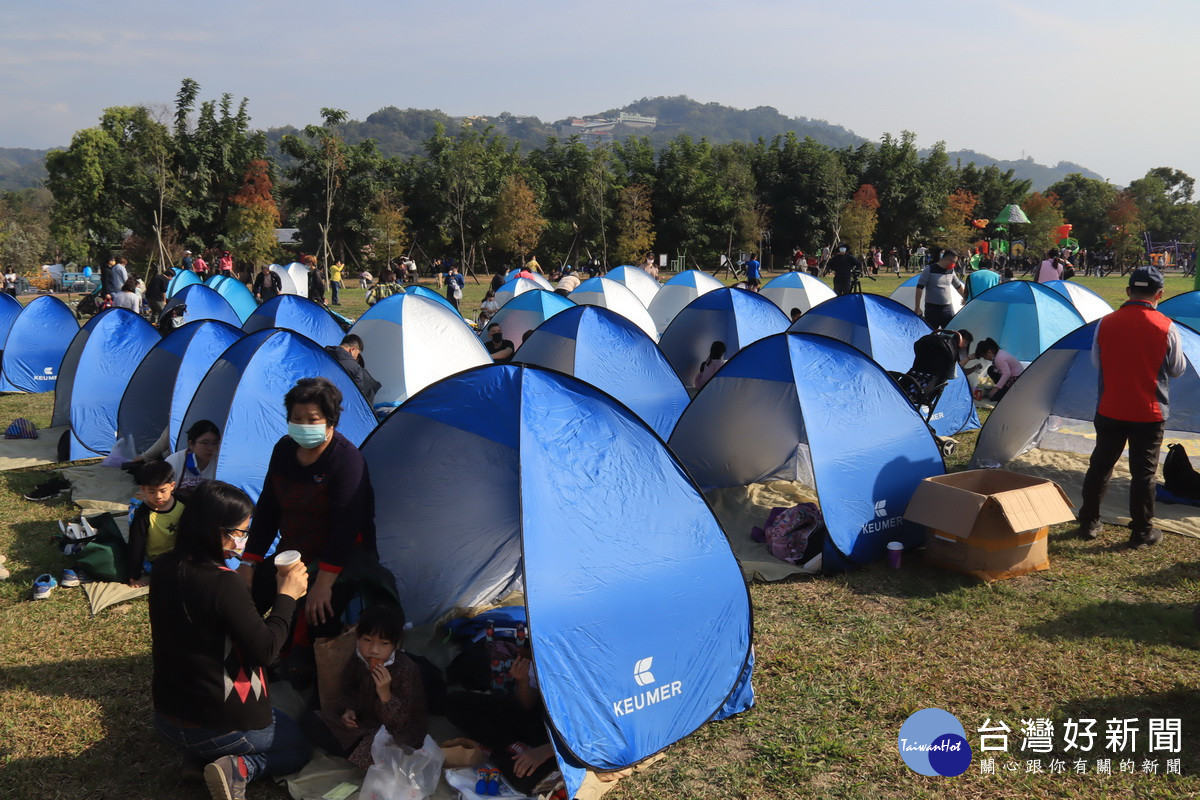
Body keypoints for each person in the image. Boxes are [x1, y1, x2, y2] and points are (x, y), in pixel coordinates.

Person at [150, 480, 310, 800]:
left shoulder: (163, 568)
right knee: (299, 747)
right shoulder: (225, 583)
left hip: (166, 720)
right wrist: (287, 596)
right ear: (216, 531)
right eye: (240, 531)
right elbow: (265, 650)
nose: (242, 540)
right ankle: (238, 768)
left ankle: (196, 758)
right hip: (215, 726)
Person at [240, 378, 378, 642]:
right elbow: (268, 509)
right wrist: (248, 563)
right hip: (296, 552)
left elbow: (345, 528)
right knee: (247, 597)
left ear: (331, 421)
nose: (303, 426)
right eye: (296, 418)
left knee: (319, 614)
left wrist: (324, 583)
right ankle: (252, 659)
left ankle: (307, 666)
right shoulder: (283, 449)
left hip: (343, 559)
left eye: (312, 419)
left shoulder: (348, 461)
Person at [1076, 266, 1187, 548]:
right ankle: (1141, 532)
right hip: (1148, 412)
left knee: (1100, 466)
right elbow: (1177, 370)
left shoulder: (1106, 322)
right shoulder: (1165, 326)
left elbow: (1096, 363)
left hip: (1110, 407)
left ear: (1128, 291)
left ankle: (1088, 522)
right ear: (1159, 294)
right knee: (1144, 474)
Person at [302, 604, 428, 767]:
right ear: (358, 638)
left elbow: (402, 722)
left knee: (384, 750)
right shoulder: (358, 659)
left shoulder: (406, 669)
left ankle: (359, 756)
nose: (374, 650)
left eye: (384, 643)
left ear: (396, 645)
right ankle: (356, 754)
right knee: (311, 721)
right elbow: (349, 690)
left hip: (397, 733)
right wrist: (348, 710)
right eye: (367, 640)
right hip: (363, 725)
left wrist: (385, 695)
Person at [126, 460, 185, 587]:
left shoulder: (183, 503)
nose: (158, 496)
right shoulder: (143, 514)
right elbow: (136, 545)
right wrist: (134, 577)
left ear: (172, 486)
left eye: (163, 490)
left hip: (181, 552)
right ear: (143, 489)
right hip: (158, 559)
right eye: (152, 492)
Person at [914, 250, 966, 329]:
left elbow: (958, 286)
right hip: (932, 309)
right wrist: (917, 307)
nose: (954, 265)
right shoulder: (929, 269)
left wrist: (966, 298)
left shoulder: (951, 271)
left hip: (948, 309)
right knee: (931, 333)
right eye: (954, 262)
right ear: (947, 260)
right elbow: (919, 288)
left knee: (949, 333)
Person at [165, 420, 222, 491]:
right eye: (205, 443)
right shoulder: (174, 461)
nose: (210, 448)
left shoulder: (220, 464)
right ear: (191, 444)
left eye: (215, 443)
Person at [325, 334, 382, 405]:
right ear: (352, 349)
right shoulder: (355, 368)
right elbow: (358, 395)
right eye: (357, 354)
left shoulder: (323, 354)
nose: (356, 358)